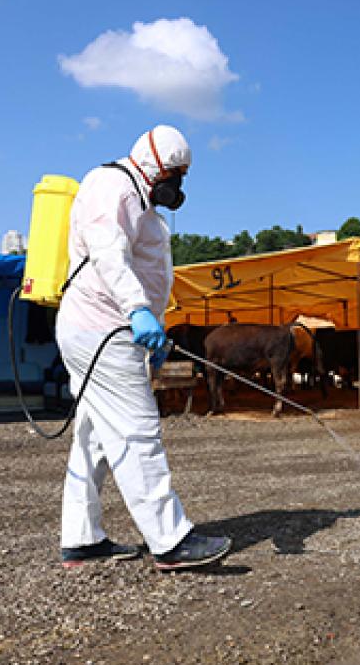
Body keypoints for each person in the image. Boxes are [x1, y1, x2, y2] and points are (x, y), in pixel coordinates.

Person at [55, 125, 231, 572]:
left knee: (93, 437)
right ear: (154, 164)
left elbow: (150, 272)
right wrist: (136, 310)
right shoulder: (110, 185)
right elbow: (108, 253)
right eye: (175, 173)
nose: (178, 185)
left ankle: (81, 538)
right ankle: (170, 541)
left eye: (183, 176)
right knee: (137, 430)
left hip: (112, 329)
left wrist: (155, 325)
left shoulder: (143, 202)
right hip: (102, 327)